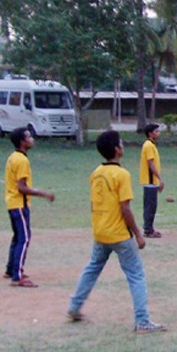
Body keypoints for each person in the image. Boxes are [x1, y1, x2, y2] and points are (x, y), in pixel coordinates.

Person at [67, 130, 166, 334]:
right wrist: (138, 234)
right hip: (119, 234)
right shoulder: (121, 175)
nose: (123, 145)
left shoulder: (96, 173)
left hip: (100, 232)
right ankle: (142, 321)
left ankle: (74, 307)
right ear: (116, 149)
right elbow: (125, 209)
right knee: (136, 274)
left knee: (92, 269)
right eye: (120, 143)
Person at [3, 127, 55, 287]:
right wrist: (43, 194)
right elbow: (22, 187)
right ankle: (17, 277)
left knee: (17, 237)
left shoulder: (13, 157)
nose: (32, 139)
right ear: (22, 142)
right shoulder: (22, 160)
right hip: (19, 204)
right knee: (24, 238)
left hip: (12, 203)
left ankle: (11, 269)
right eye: (28, 137)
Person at [139, 123, 164, 238]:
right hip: (150, 181)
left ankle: (150, 228)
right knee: (150, 206)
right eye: (156, 131)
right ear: (150, 133)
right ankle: (148, 230)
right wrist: (159, 178)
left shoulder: (151, 145)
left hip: (152, 181)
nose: (158, 133)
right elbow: (150, 163)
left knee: (152, 206)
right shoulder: (148, 145)